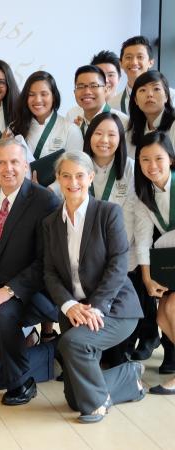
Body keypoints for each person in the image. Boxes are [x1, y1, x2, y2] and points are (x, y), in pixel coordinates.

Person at [43, 150, 144, 423]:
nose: (73, 182)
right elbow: (50, 272)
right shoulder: (50, 223)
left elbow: (119, 264)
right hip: (75, 311)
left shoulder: (108, 212)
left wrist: (97, 306)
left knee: (73, 343)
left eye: (79, 175)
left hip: (115, 308)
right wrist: (69, 305)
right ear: (58, 178)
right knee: (75, 399)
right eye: (66, 176)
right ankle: (127, 376)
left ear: (90, 177)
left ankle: (98, 404)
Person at [0, 137, 60, 404]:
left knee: (0, 319)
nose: (8, 168)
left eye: (14, 162)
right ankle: (49, 351)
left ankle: (22, 384)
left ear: (25, 166)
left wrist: (9, 291)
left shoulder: (45, 201)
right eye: (1, 163)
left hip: (32, 290)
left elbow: (46, 260)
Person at [134, 131, 175, 384]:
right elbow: (142, 240)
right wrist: (148, 279)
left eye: (158, 158)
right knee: (161, 316)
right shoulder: (144, 194)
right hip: (170, 260)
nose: (152, 166)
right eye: (145, 159)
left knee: (171, 308)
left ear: (171, 159)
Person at [10, 71, 83, 161]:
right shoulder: (14, 128)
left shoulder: (71, 130)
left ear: (54, 97)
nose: (37, 100)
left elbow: (76, 166)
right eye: (31, 94)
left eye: (44, 94)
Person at [109, 36, 174, 115]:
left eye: (140, 57)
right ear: (121, 63)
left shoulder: (172, 97)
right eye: (128, 57)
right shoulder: (113, 105)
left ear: (151, 62)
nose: (134, 62)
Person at [65, 65, 128, 137]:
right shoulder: (73, 120)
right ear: (74, 92)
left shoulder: (123, 122)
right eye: (81, 86)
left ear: (106, 89)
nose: (87, 92)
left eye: (94, 86)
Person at [127, 71, 175, 156]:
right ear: (136, 100)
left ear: (166, 96)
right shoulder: (134, 127)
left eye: (156, 89)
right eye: (143, 90)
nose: (149, 94)